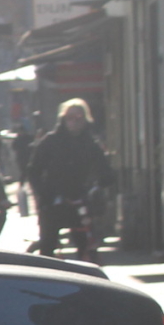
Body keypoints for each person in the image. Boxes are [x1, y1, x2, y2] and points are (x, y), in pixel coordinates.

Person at [26, 98, 115, 257]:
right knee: (48, 243)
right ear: (63, 119)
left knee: (86, 244)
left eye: (79, 118)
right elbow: (33, 170)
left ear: (86, 120)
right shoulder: (50, 141)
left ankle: (86, 275)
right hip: (53, 199)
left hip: (79, 198)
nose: (74, 122)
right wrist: (42, 194)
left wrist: (98, 186)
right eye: (70, 118)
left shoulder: (90, 144)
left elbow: (105, 170)